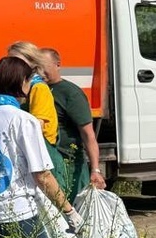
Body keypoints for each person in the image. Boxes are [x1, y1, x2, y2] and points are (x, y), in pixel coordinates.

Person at [0, 56, 84, 238]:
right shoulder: (22, 120)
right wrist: (69, 211)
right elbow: (42, 175)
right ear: (21, 83)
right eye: (30, 81)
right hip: (17, 213)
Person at [40, 47, 108, 201]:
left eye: (45, 67)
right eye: (37, 67)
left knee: (72, 211)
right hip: (46, 164)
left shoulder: (71, 94)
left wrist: (95, 169)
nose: (41, 72)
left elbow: (88, 135)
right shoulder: (36, 90)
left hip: (68, 164)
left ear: (58, 65)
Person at [7, 41, 65, 190]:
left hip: (44, 154)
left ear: (32, 63)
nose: (13, 66)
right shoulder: (19, 90)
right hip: (30, 152)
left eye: (18, 61)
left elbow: (36, 126)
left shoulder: (38, 88)